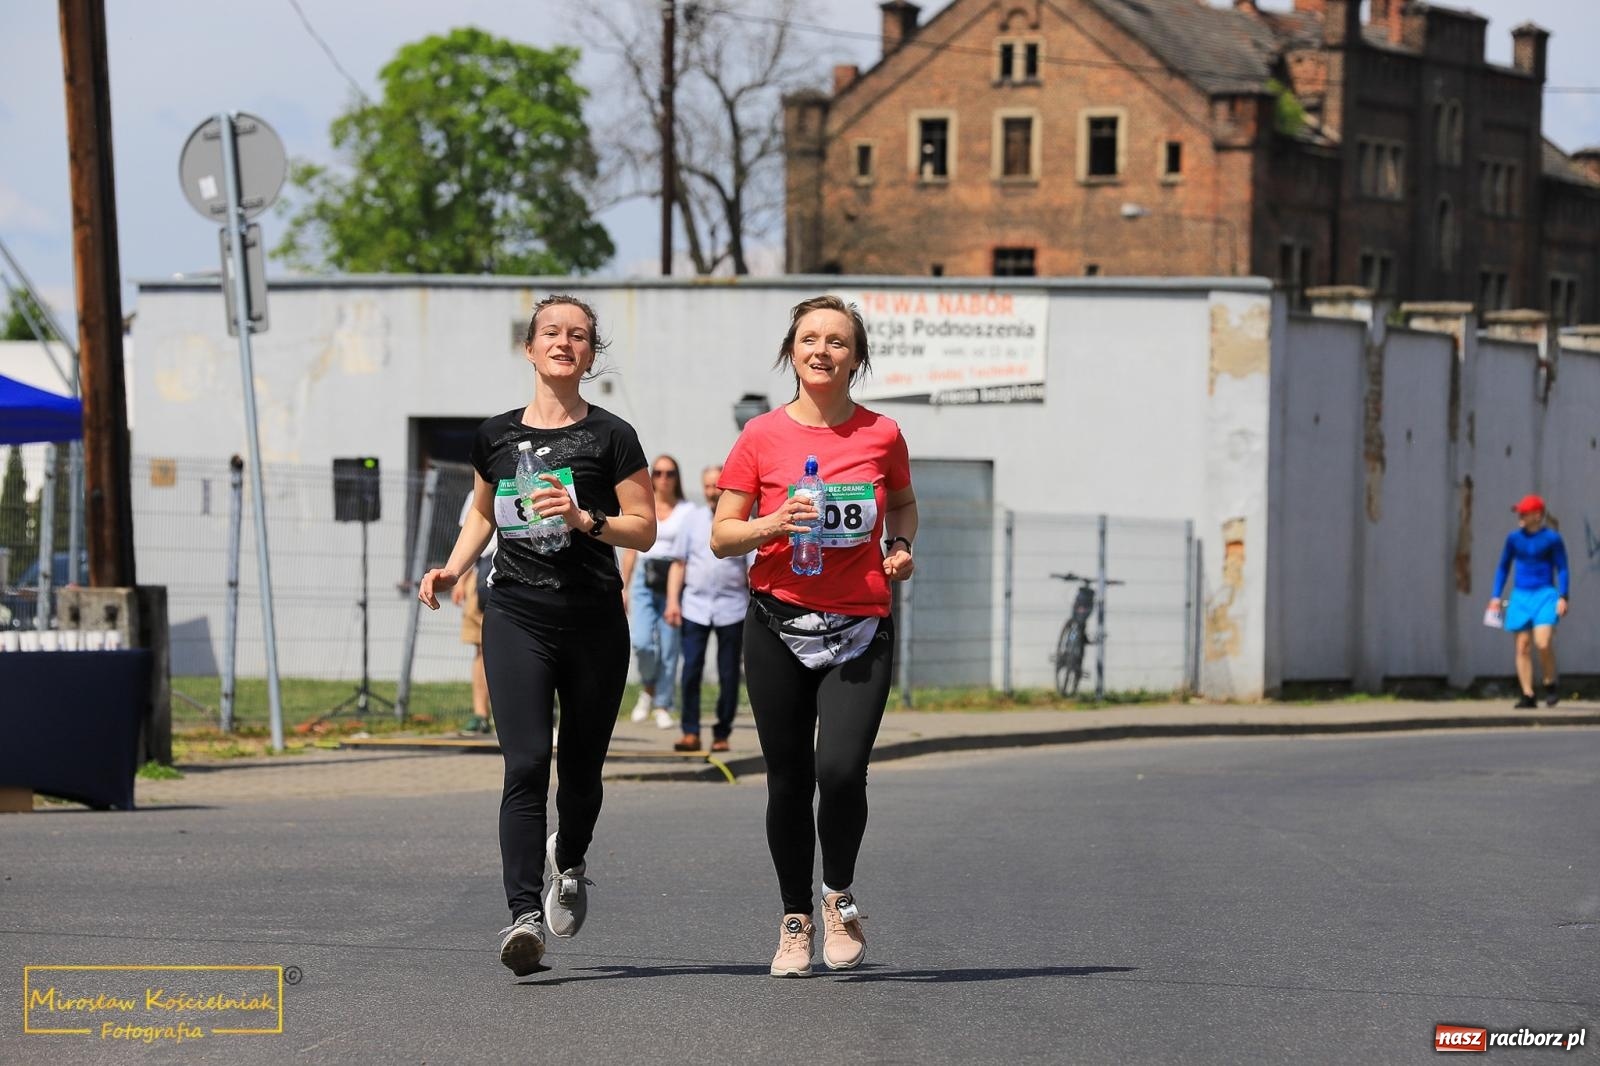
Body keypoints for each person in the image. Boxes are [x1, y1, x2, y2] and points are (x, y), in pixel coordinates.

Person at [419, 294, 655, 977]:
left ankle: (570, 860)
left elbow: (644, 527)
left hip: (593, 619)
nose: (564, 342)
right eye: (551, 332)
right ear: (530, 348)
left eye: (578, 335)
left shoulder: (613, 436)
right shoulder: (494, 435)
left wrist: (585, 520)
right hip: (516, 612)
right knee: (525, 764)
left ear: (590, 354)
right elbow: (482, 511)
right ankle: (523, 915)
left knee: (580, 773)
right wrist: (453, 567)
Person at [710, 294, 917, 978]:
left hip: (861, 625)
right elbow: (722, 535)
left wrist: (900, 545)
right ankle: (794, 919)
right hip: (777, 623)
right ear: (791, 352)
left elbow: (903, 502)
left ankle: (838, 895)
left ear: (856, 359)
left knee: (842, 769)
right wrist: (774, 524)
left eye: (837, 341)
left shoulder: (882, 434)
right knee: (789, 779)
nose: (822, 350)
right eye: (809, 339)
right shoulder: (761, 436)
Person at [668, 464, 752, 753]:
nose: (711, 492)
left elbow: (751, 568)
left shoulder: (741, 520)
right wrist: (672, 602)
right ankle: (690, 732)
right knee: (691, 670)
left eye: (716, 486)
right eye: (706, 486)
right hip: (695, 606)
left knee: (729, 674)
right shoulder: (691, 520)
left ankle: (722, 733)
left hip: (732, 607)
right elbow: (679, 563)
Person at [619, 454, 696, 731]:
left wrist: (676, 597)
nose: (664, 478)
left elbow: (686, 555)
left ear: (677, 478)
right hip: (644, 574)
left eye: (670, 473)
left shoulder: (687, 511)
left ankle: (663, 703)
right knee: (641, 642)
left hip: (673, 577)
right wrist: (624, 586)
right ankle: (648, 687)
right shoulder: (644, 504)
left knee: (669, 646)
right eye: (659, 473)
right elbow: (632, 547)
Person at [1487, 494, 1570, 708]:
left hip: (1545, 595)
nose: (1520, 516)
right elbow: (1503, 567)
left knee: (1543, 642)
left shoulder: (1552, 539)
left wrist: (1563, 596)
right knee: (1522, 646)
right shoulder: (1513, 539)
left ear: (1537, 515)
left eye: (1524, 513)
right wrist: (1496, 596)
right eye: (1519, 513)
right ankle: (1528, 694)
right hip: (1520, 596)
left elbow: (1562, 567)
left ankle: (1550, 683)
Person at [452, 488, 497, 735]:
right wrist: (459, 578)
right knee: (481, 648)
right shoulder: (477, 492)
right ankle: (480, 714)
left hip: (526, 576)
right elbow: (469, 535)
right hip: (483, 576)